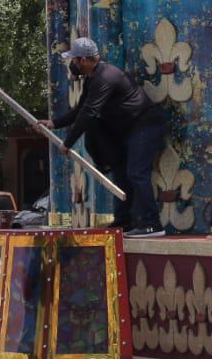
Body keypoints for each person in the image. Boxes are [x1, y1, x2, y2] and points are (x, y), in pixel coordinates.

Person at [40, 37, 165, 237]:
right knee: (121, 174)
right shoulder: (93, 79)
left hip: (145, 125)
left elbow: (89, 113)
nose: (73, 65)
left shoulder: (105, 77)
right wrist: (54, 124)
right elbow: (80, 110)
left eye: (75, 60)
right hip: (129, 130)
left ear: (83, 59)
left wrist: (68, 143)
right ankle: (124, 222)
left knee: (136, 173)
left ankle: (153, 224)